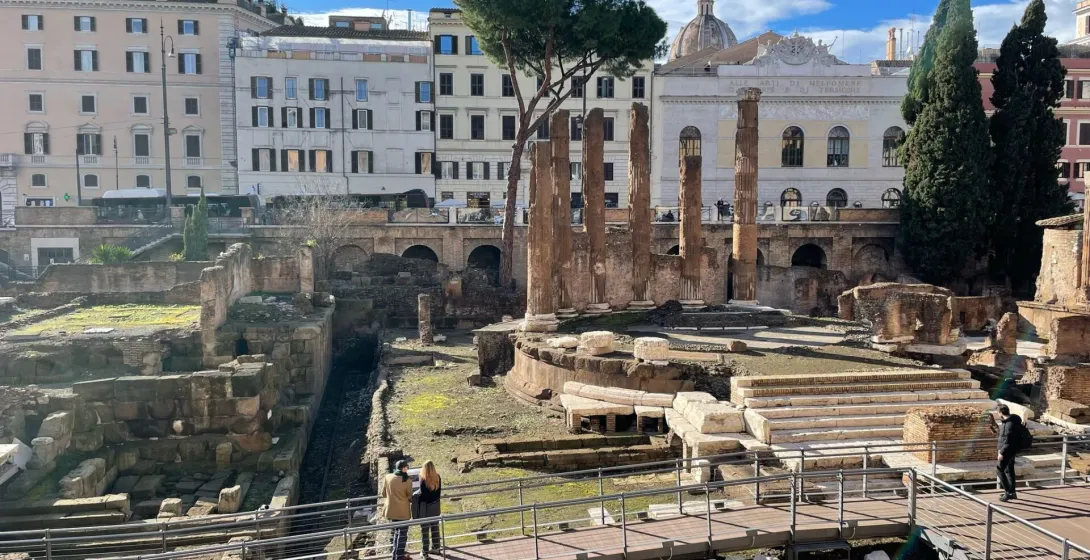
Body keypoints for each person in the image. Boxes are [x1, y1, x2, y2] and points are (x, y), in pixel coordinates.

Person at [382, 460, 413, 559]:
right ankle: (399, 556)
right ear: (403, 468)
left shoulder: (388, 477)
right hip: (402, 511)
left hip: (391, 510)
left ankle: (395, 555)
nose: (407, 469)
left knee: (396, 532)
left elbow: (383, 494)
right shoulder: (407, 480)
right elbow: (409, 497)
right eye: (406, 467)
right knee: (403, 534)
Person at [413, 460, 443, 558]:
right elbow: (438, 493)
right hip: (435, 507)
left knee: (424, 531)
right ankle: (436, 547)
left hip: (426, 509)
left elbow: (424, 497)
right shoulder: (438, 477)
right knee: (435, 528)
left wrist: (416, 496)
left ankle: (424, 552)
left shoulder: (424, 480)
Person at [994, 405, 1023, 502]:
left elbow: (1007, 440)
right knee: (1009, 470)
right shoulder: (1010, 422)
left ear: (1001, 413)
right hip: (1012, 450)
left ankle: (1008, 492)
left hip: (1007, 451)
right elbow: (1004, 436)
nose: (998, 414)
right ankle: (1012, 492)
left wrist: (1001, 453)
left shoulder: (1009, 424)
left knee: (999, 470)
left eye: (998, 412)